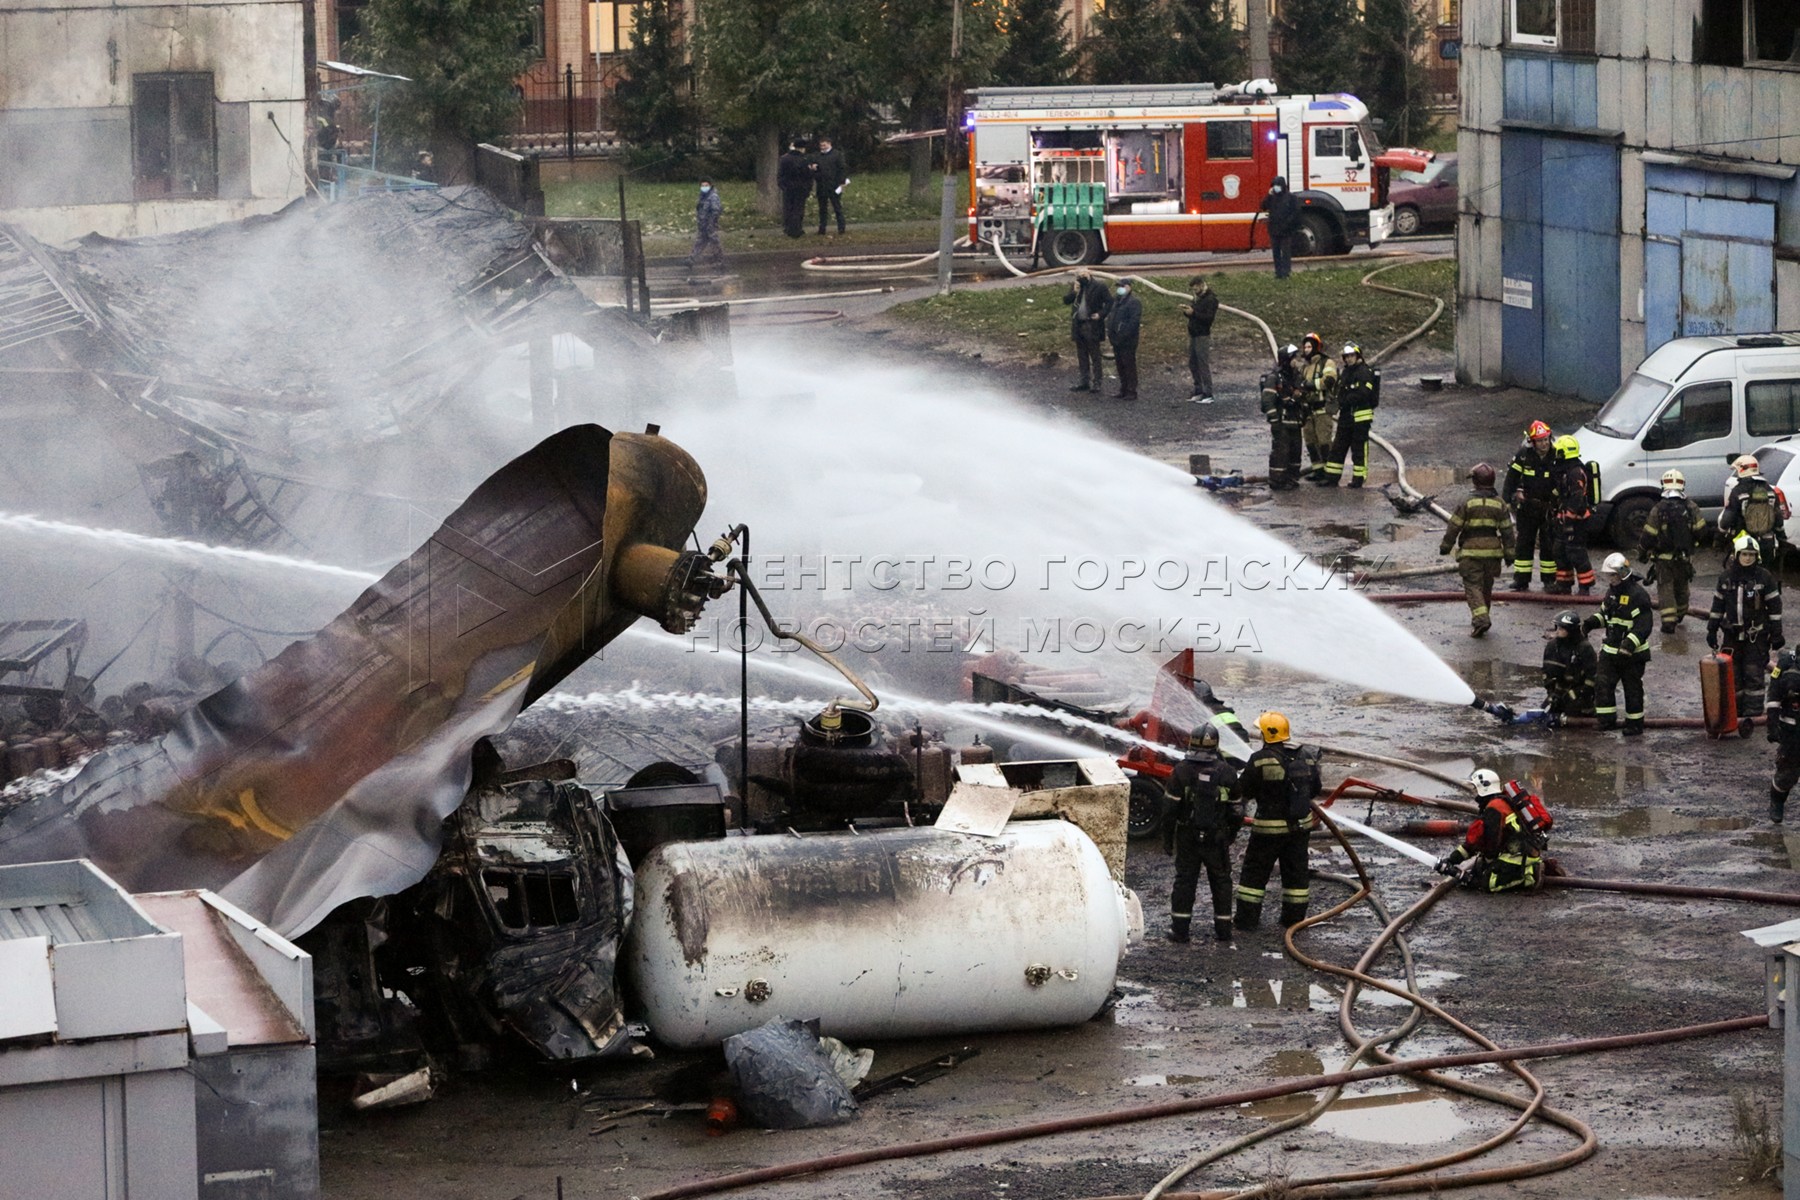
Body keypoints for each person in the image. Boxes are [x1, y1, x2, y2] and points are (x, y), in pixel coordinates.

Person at [1234, 711, 1322, 931]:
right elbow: (1315, 789)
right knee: (1296, 875)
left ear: (1267, 734)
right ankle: (1294, 920)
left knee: (1254, 876)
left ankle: (1247, 921)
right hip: (1299, 829)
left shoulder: (1259, 759)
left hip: (1268, 831)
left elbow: (1244, 790)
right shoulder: (1307, 756)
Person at [1164, 724, 1241, 944]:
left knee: (1185, 882)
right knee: (1221, 882)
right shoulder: (1227, 772)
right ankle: (1224, 931)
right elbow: (1237, 810)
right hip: (1217, 838)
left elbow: (1169, 811)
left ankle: (1180, 931)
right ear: (1215, 744)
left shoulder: (1181, 770)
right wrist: (1230, 835)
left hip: (1188, 837)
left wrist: (1168, 840)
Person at [1708, 534, 1785, 727]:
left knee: (1753, 674)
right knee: (1732, 675)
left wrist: (1776, 634)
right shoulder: (1726, 578)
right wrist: (1712, 630)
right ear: (1737, 555)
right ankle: (1736, 712)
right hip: (1731, 637)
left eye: (1751, 554)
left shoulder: (1764, 578)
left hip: (1755, 637)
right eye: (1744, 554)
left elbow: (1775, 607)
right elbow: (1717, 606)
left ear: (1757, 556)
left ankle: (1753, 715)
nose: (1748, 558)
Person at [1435, 769, 1546, 893]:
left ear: (1484, 788)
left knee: (1487, 884)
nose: (1476, 794)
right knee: (1480, 868)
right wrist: (1453, 860)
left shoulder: (1494, 809)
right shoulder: (1502, 801)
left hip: (1519, 857)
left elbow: (1487, 845)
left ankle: (1530, 873)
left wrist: (1452, 861)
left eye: (1476, 789)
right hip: (1522, 852)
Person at [1438, 462, 1516, 637]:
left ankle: (1481, 620)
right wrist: (1509, 555)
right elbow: (1507, 531)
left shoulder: (1467, 502)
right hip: (1493, 554)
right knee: (1486, 587)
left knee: (1473, 586)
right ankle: (1482, 617)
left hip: (1471, 554)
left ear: (1475, 481)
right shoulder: (1500, 504)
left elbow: (1454, 526)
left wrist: (1446, 547)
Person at [1584, 552, 1654, 735]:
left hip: (1633, 655)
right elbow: (1605, 615)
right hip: (1610, 651)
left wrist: (1628, 645)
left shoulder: (1638, 596)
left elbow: (1643, 626)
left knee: (1632, 689)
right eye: (1609, 575)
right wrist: (1590, 623)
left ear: (1623, 573)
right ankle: (1606, 720)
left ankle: (1635, 724)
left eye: (1613, 575)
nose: (1611, 579)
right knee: (1602, 683)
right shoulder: (1612, 593)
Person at [1639, 469, 1707, 633]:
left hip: (1663, 560)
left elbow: (1648, 535)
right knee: (1682, 587)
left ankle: (1668, 623)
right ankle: (1681, 613)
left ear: (1664, 485)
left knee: (1666, 589)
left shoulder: (1658, 508)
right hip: (1684, 559)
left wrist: (1642, 552)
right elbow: (1702, 532)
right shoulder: (1691, 507)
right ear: (1683, 485)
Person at [1503, 421, 1559, 592]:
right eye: (1540, 440)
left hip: (1548, 508)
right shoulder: (1523, 456)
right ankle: (1521, 580)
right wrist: (1507, 501)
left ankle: (1549, 580)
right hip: (1527, 507)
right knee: (1524, 543)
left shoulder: (1556, 455)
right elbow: (1511, 479)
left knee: (1548, 544)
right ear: (1532, 442)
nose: (1544, 444)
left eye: (1546, 439)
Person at [1318, 342, 1378, 488]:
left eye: (1351, 356)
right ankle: (1331, 477)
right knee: (1338, 447)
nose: (1349, 359)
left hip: (1360, 416)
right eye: (1346, 356)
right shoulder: (1346, 372)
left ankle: (1358, 479)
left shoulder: (1364, 372)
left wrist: (1343, 401)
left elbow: (1363, 393)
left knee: (1358, 448)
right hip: (1346, 416)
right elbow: (1341, 391)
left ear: (1357, 356)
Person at [1719, 455, 1788, 577]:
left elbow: (1726, 521)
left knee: (1741, 576)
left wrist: (1721, 535)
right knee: (1764, 576)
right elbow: (1778, 519)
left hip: (1744, 544)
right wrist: (1782, 539)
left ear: (1741, 470)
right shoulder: (1770, 491)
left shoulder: (1738, 491)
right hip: (1767, 544)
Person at [1548, 434, 1595, 595]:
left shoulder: (1575, 472)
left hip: (1576, 520)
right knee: (1560, 551)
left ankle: (1585, 586)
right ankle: (1564, 583)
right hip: (1564, 517)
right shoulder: (1566, 470)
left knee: (1576, 552)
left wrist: (1569, 518)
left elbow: (1577, 498)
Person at [1259, 345, 1307, 490]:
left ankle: (1291, 478)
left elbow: (1302, 395)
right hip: (1281, 423)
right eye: (1293, 358)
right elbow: (1267, 401)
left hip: (1295, 422)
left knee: (1295, 451)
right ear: (1286, 360)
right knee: (1281, 452)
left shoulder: (1296, 376)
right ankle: (1277, 480)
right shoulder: (1274, 378)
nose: (1296, 361)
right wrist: (1275, 421)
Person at [1542, 610, 1597, 723]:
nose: (1558, 631)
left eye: (1562, 629)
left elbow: (1592, 678)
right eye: (1557, 628)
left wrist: (1576, 694)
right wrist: (1552, 694)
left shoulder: (1584, 648)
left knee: (1576, 717)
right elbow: (1547, 672)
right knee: (1542, 714)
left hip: (1578, 695)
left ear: (1571, 630)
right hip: (1558, 693)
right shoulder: (1552, 646)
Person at [1062, 268, 1112, 393]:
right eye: (1078, 275)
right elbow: (1066, 301)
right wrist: (1074, 292)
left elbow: (1109, 302)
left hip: (1092, 324)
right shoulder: (1077, 286)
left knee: (1095, 355)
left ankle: (1097, 382)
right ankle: (1084, 381)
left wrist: (1100, 314)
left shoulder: (1099, 286)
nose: (1081, 277)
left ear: (1089, 273)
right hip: (1079, 324)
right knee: (1082, 355)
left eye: (1083, 274)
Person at [1765, 648, 1800, 822]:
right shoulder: (1787, 664)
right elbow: (1773, 696)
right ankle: (1777, 800)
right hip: (1792, 730)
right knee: (1788, 773)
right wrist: (1772, 726)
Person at [1296, 333, 1338, 479]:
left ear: (1316, 347)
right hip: (1307, 411)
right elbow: (1298, 384)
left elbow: (1329, 380)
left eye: (1310, 346)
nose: (1307, 349)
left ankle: (1329, 473)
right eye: (1305, 347)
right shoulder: (1304, 367)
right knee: (1311, 442)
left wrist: (1310, 385)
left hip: (1322, 410)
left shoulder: (1327, 363)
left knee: (1324, 442)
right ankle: (1318, 471)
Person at [1180, 276, 1219, 403]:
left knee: (1202, 364)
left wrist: (1193, 313)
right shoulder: (1198, 299)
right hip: (1193, 334)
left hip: (1202, 335)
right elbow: (1195, 314)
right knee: (1193, 363)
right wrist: (1187, 312)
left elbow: (1208, 319)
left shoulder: (1211, 300)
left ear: (1202, 285)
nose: (1194, 291)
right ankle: (1198, 390)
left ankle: (1208, 393)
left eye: (1196, 288)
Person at [1258, 176, 1301, 279]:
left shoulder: (1291, 198)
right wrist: (1268, 195)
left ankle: (1286, 272)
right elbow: (1263, 206)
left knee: (1286, 252)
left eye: (1277, 185)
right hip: (1274, 229)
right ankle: (1278, 272)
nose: (1276, 187)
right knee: (1276, 252)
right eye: (1274, 185)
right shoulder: (1272, 198)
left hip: (1286, 230)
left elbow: (1296, 213)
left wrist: (1288, 224)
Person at [1106, 279, 1142, 400]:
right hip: (1116, 339)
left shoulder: (1134, 302)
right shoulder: (1117, 301)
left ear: (1129, 287)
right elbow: (1112, 317)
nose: (1119, 289)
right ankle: (1123, 388)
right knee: (1120, 365)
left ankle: (1131, 390)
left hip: (1128, 340)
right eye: (1119, 286)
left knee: (1129, 365)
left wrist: (1123, 334)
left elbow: (1134, 322)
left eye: (1122, 286)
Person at [812, 137, 849, 235]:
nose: (822, 147)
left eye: (824, 145)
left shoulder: (837, 155)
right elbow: (815, 169)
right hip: (821, 186)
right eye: (821, 145)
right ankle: (822, 228)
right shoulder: (818, 156)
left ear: (829, 144)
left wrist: (841, 183)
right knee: (822, 208)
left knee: (837, 207)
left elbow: (842, 169)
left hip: (834, 185)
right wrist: (814, 170)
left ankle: (841, 228)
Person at [777, 142, 812, 239]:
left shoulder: (784, 158)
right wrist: (808, 188)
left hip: (788, 188)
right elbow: (808, 175)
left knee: (788, 208)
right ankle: (797, 229)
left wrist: (782, 186)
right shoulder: (804, 159)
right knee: (798, 209)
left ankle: (788, 228)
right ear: (802, 148)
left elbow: (781, 174)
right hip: (801, 188)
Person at [690, 179, 726, 270]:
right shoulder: (702, 196)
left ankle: (719, 262)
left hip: (710, 224)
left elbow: (716, 211)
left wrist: (711, 223)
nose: (704, 187)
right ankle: (692, 259)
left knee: (714, 242)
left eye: (706, 185)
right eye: (702, 185)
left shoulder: (713, 197)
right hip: (703, 224)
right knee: (700, 241)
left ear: (710, 186)